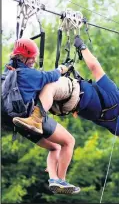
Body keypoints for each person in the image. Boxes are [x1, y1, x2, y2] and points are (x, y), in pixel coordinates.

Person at [13, 35, 119, 161]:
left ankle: (34, 117)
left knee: (47, 83)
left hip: (72, 91)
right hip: (62, 108)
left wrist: (82, 47)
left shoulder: (114, 93)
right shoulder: (113, 121)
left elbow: (95, 67)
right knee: (40, 96)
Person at [1, 38, 80, 194]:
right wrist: (62, 68)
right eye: (31, 58)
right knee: (69, 141)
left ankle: (53, 179)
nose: (34, 61)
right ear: (23, 57)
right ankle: (62, 180)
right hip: (30, 119)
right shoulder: (29, 75)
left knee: (54, 147)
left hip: (16, 123)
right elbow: (51, 77)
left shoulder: (7, 72)